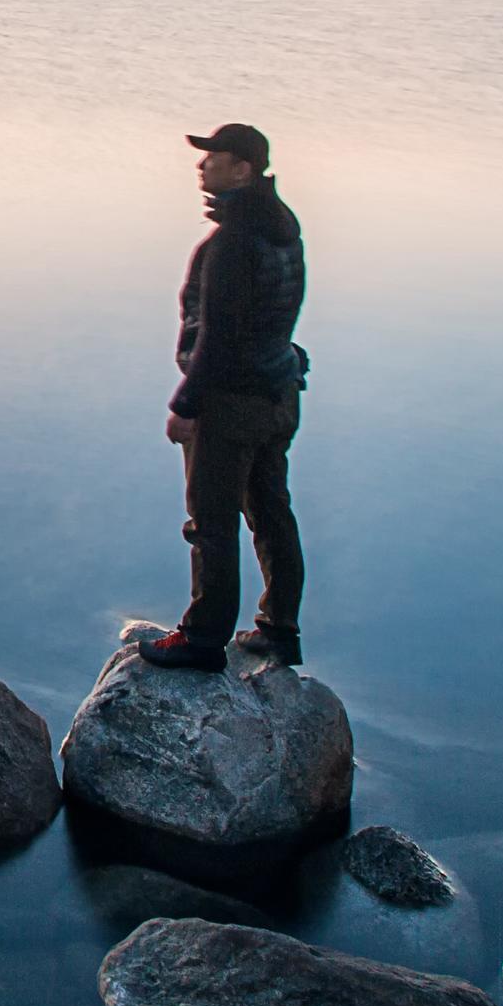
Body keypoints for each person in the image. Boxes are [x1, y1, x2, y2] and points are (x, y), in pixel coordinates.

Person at [135, 120, 309, 673]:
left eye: (214, 157)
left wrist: (185, 406)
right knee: (272, 514)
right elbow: (275, 316)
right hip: (278, 392)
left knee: (211, 522)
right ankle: (279, 631)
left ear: (243, 169)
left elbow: (218, 335)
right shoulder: (282, 228)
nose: (201, 166)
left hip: (231, 402)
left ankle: (203, 640)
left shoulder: (231, 242)